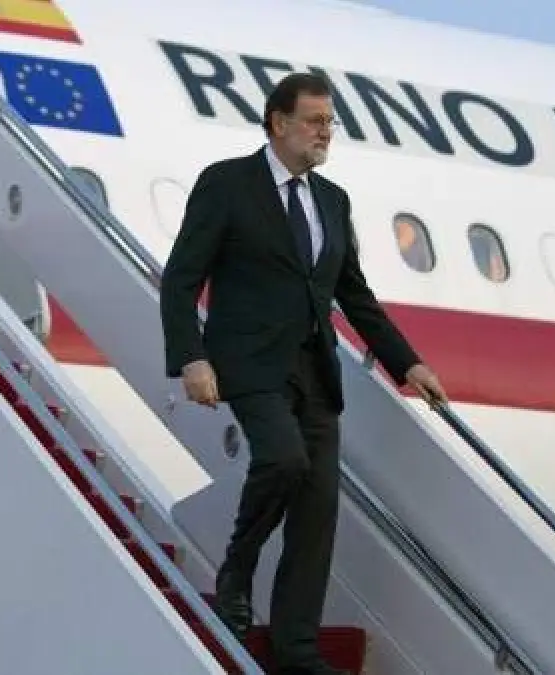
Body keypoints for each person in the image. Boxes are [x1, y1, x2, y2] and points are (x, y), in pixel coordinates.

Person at [159, 72, 447, 675]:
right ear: (278, 123)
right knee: (283, 461)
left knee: (317, 509)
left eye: (329, 123)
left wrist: (407, 362)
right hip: (249, 361)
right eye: (315, 121)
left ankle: (297, 649)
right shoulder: (228, 184)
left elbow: (354, 295)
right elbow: (181, 278)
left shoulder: (331, 200)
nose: (325, 133)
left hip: (315, 367)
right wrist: (191, 357)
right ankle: (238, 569)